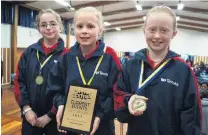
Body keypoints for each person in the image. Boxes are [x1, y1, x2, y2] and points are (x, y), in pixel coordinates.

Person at [113, 6, 201, 135]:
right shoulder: (132, 65)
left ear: (173, 33)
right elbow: (118, 96)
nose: (157, 36)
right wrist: (128, 101)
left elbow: (192, 115)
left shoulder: (183, 70)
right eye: (152, 30)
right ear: (144, 31)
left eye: (164, 30)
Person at [46, 6, 121, 135]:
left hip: (101, 126)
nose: (84, 31)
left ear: (100, 30)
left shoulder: (110, 56)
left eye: (90, 26)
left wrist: (100, 115)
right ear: (73, 29)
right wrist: (61, 104)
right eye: (79, 26)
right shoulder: (66, 56)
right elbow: (55, 87)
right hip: (70, 125)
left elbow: (116, 92)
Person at [14, 9, 68, 135]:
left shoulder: (67, 55)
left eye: (53, 24)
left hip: (56, 119)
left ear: (60, 26)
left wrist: (50, 115)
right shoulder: (29, 52)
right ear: (38, 28)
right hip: (30, 118)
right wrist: (26, 109)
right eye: (43, 25)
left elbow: (68, 89)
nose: (48, 28)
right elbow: (18, 81)